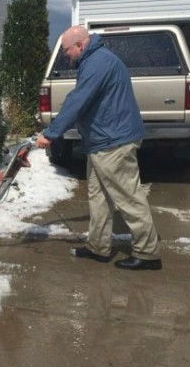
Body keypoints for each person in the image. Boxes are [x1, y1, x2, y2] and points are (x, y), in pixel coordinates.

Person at [36, 25, 162, 270]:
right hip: (101, 142)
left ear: (80, 45)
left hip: (113, 143)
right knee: (99, 197)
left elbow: (78, 100)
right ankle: (99, 247)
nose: (66, 55)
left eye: (67, 50)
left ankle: (148, 253)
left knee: (128, 197)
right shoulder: (94, 60)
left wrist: (51, 133)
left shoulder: (97, 63)